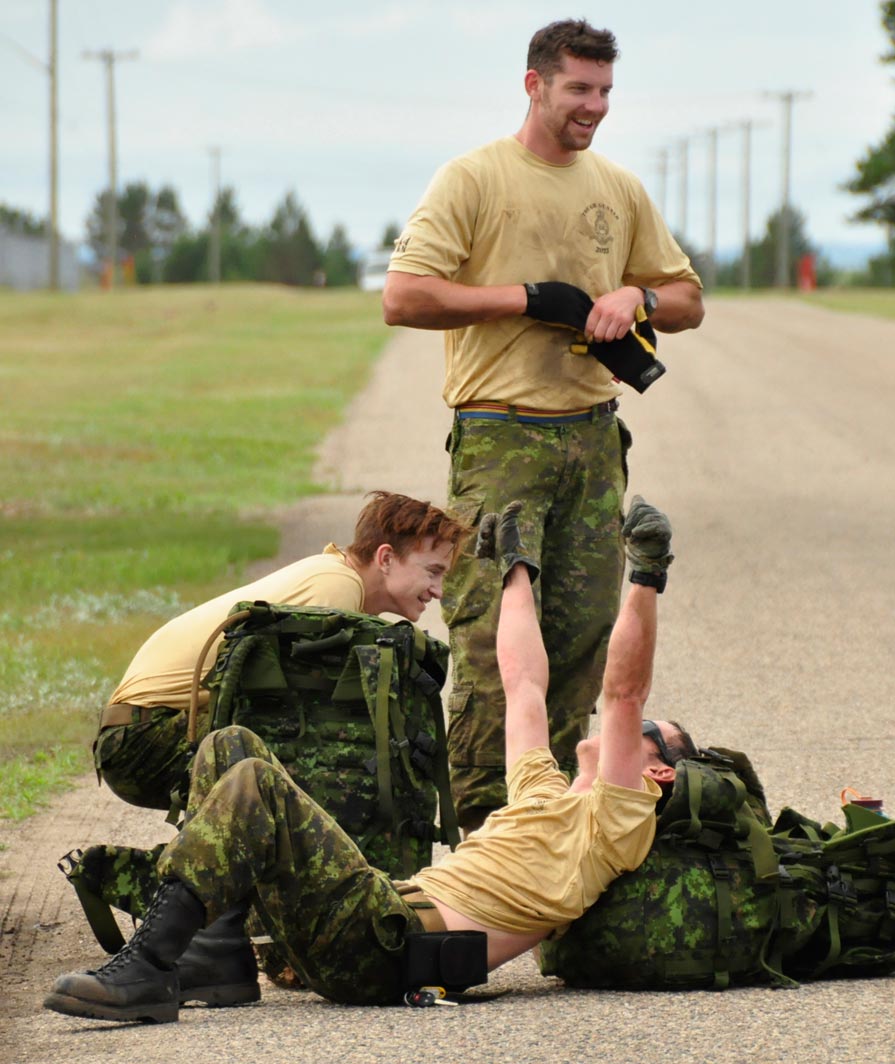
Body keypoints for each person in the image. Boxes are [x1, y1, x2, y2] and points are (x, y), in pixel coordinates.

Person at [44, 495, 696, 1023]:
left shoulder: (613, 826)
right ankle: (215, 955)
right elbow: (523, 683)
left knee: (253, 783)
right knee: (229, 746)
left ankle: (149, 967)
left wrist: (645, 576)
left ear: (657, 773)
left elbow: (622, 691)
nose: (629, 724)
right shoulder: (543, 797)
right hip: (375, 921)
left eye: (647, 732)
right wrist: (517, 571)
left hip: (392, 947)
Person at [381, 18, 704, 832]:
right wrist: (531, 298)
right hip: (500, 438)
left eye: (604, 91)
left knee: (580, 641)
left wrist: (639, 298)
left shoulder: (618, 188)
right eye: (578, 90)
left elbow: (690, 297)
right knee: (495, 651)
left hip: (594, 438)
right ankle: (483, 842)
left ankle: (554, 831)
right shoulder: (475, 179)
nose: (593, 106)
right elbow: (405, 296)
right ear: (535, 84)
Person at [93, 490, 470, 813]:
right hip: (142, 742)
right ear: (386, 558)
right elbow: (302, 724)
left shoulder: (334, 576)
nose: (438, 590)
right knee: (325, 758)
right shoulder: (336, 590)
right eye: (432, 571)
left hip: (143, 732)